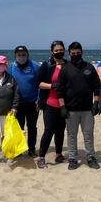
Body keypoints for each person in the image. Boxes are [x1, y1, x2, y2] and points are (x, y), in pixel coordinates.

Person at [57, 42, 101, 170]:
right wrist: (62, 107)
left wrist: (96, 103)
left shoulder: (89, 67)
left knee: (88, 134)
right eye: (73, 53)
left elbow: (96, 86)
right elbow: (59, 89)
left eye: (78, 53)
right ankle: (73, 158)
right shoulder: (65, 68)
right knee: (71, 135)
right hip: (71, 109)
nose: (75, 55)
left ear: (82, 52)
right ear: (69, 54)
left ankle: (91, 157)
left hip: (87, 109)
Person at [35, 41, 67, 169]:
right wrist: (52, 86)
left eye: (61, 50)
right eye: (56, 50)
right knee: (49, 130)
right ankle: (41, 157)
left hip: (64, 104)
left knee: (60, 130)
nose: (59, 52)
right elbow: (38, 83)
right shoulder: (46, 65)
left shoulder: (67, 65)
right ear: (52, 52)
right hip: (49, 102)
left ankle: (58, 155)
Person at [8, 45, 40, 157]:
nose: (21, 57)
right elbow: (7, 84)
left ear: (27, 55)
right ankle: (19, 150)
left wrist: (39, 100)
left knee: (32, 128)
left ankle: (31, 149)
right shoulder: (11, 67)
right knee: (18, 128)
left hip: (33, 103)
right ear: (15, 56)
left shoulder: (35, 66)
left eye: (23, 55)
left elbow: (40, 83)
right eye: (19, 55)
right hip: (17, 104)